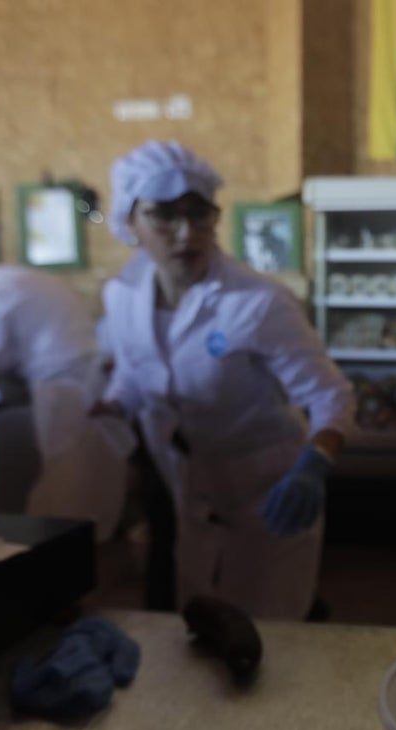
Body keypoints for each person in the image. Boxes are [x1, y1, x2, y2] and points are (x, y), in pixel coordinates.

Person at [95, 140, 355, 620]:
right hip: (190, 490)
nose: (185, 233)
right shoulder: (122, 296)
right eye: (163, 216)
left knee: (270, 630)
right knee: (201, 623)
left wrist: (315, 463)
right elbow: (136, 372)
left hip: (269, 490)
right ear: (128, 222)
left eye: (200, 215)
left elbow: (330, 395)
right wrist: (111, 405)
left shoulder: (257, 302)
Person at [0, 256, 133, 538]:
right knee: (90, 457)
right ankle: (96, 530)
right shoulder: (24, 276)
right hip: (87, 367)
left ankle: (61, 538)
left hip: (58, 376)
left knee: (63, 460)